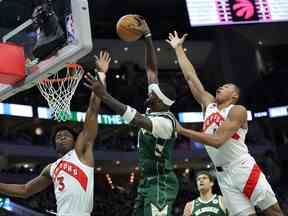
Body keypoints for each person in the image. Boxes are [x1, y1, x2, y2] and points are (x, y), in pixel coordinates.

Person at [166, 31, 283, 216]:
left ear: (235, 95)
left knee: (273, 211)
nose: (220, 87)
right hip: (222, 175)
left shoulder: (237, 110)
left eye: (227, 86)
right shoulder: (208, 105)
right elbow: (191, 78)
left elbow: (217, 140)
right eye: (220, 86)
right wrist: (179, 49)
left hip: (241, 167)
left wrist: (182, 130)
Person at [84, 17, 179, 216]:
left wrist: (104, 95)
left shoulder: (165, 123)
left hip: (161, 183)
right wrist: (147, 36)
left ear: (161, 101)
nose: (149, 91)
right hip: (148, 182)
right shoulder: (156, 107)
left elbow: (135, 119)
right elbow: (152, 69)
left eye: (153, 93)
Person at [0, 51, 111, 216]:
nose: (62, 136)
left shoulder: (81, 152)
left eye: (66, 135)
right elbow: (25, 190)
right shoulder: (51, 168)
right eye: (59, 136)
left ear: (75, 141)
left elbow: (93, 111)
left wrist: (102, 74)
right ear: (54, 145)